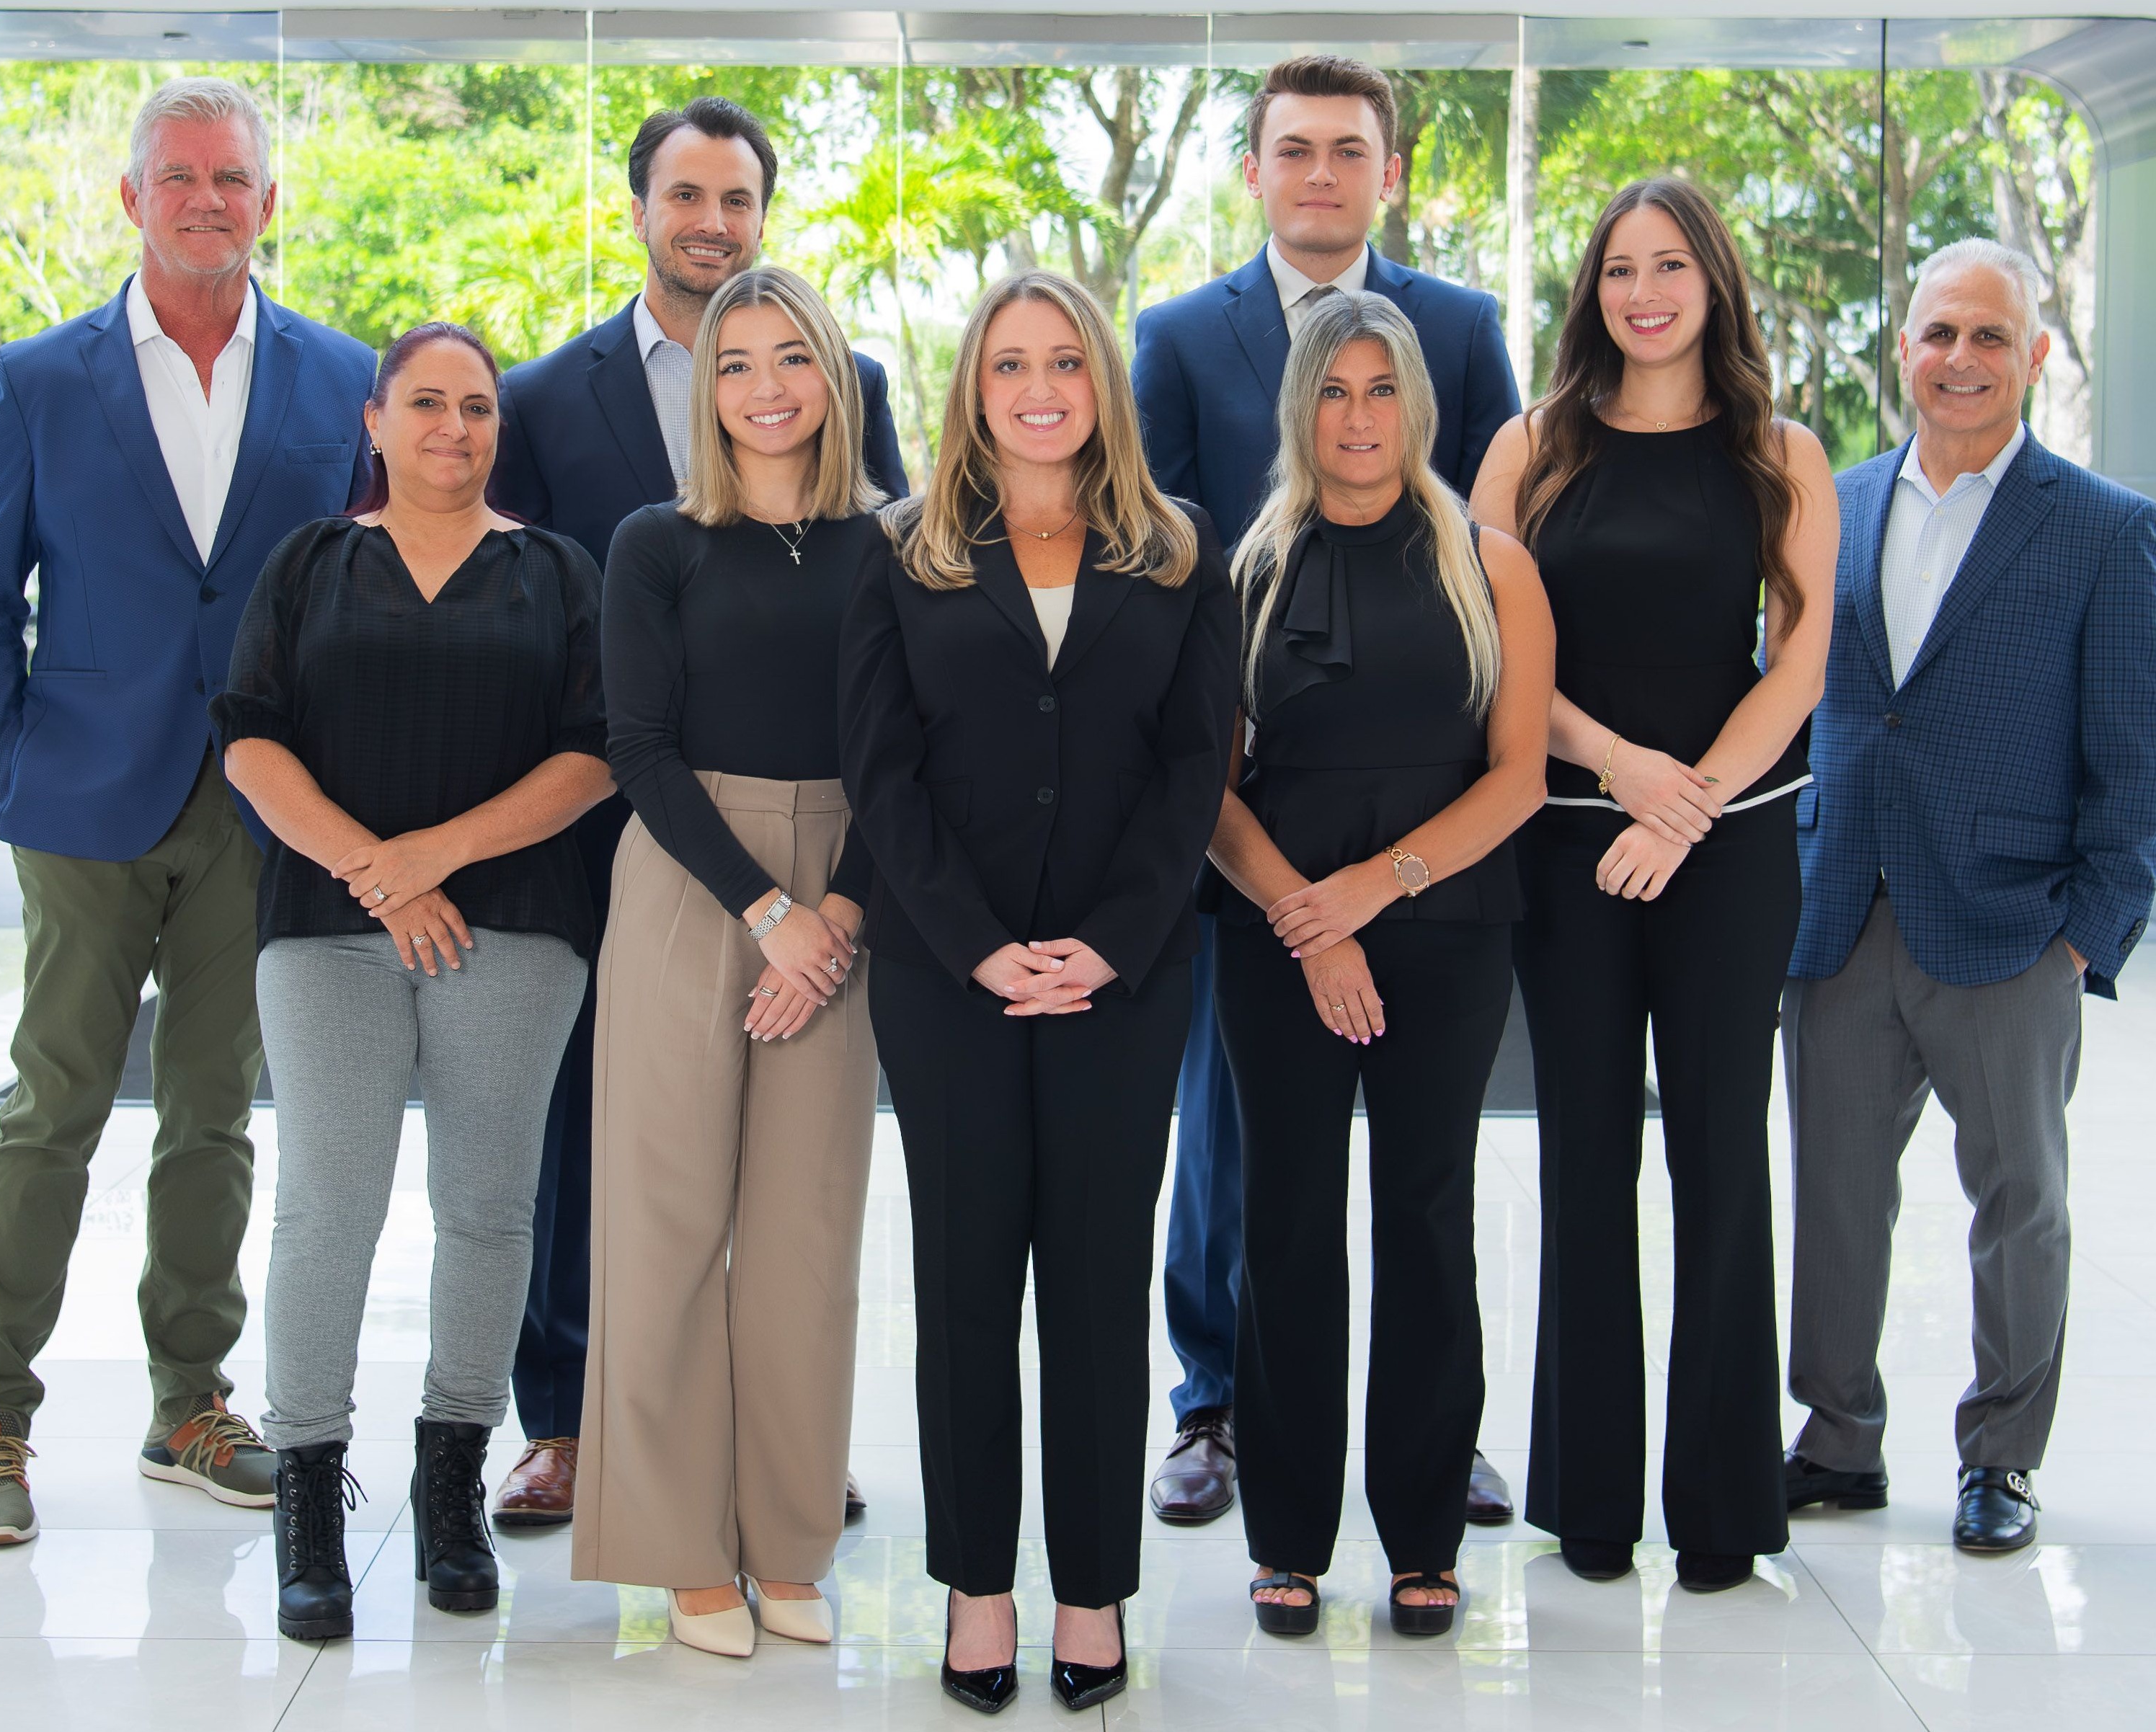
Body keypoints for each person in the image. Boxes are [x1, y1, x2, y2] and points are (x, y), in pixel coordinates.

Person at [0, 76, 376, 1548]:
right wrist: (1, 775)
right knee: (52, 1105)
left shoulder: (339, 377)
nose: (206, 199)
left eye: (231, 177)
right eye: (178, 176)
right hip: (80, 799)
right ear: (132, 197)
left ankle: (190, 1399)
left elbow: (357, 594)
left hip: (259, 805)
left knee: (214, 1114)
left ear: (268, 201)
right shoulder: (41, 380)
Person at [483, 96, 907, 1529]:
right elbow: (525, 623)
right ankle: (565, 1422)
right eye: (685, 195)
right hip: (614, 824)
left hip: (826, 842)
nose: (711, 221)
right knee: (601, 1152)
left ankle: (785, 1450)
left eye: (736, 198)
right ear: (639, 209)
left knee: (798, 1185)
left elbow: (889, 640)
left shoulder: (852, 390)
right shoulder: (548, 397)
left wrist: (828, 900)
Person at [1130, 53, 1524, 1529]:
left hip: (1425, 822)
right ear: (1253, 172)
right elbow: (1153, 556)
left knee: (1425, 1178)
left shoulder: (1461, 330)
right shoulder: (1177, 338)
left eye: (1346, 149)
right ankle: (1215, 1404)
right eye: (1291, 148)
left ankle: (1435, 1438)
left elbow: (1489, 546)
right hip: (1254, 813)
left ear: (1387, 173)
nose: (1317, 173)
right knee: (1234, 1148)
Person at [843, 270, 1237, 1715]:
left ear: (1101, 384)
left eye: (1063, 361)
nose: (1037, 388)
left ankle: (1089, 1588)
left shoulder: (1179, 552)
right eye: (1008, 363)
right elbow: (880, 773)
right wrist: (973, 944)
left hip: (1120, 982)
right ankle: (974, 1587)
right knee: (962, 1288)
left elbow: (1194, 766)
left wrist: (1113, 941)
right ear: (972, 389)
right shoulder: (901, 551)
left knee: (1092, 1287)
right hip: (946, 979)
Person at [1780, 238, 2156, 1555]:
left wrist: (2083, 938)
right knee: (1835, 1192)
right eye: (1939, 334)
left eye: (1989, 337)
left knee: (2019, 1202)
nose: (1960, 359)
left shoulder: (2106, 529)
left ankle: (2000, 1458)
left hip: (2012, 926)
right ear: (1902, 347)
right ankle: (1836, 1437)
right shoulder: (1829, 505)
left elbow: (2140, 754)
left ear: (2034, 355)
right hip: (1838, 910)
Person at [215, 321, 613, 1642]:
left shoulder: (555, 571)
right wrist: (375, 873)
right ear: (375, 422)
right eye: (427, 403)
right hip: (323, 930)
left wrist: (432, 857)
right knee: (326, 1210)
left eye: (478, 407)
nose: (455, 427)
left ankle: (450, 1490)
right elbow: (250, 742)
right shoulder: (308, 563)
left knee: (488, 1211)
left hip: (516, 927)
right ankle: (309, 1502)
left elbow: (593, 755)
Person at [1473, 177, 1835, 1593]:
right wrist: (1625, 768)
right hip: (1568, 837)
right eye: (1619, 268)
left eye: (1670, 264)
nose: (1644, 292)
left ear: (1712, 281)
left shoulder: (1778, 453)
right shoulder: (1529, 448)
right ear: (1592, 292)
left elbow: (1796, 664)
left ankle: (1724, 1509)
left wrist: (1687, 812)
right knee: (1581, 1156)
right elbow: (1495, 654)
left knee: (1721, 1158)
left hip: (1728, 846)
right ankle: (1586, 1500)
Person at [1207, 292, 1551, 1639]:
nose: (1358, 418)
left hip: (1446, 930)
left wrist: (1375, 888)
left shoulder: (1490, 564)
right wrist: (1313, 921)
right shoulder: (1243, 572)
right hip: (1279, 936)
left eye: (1382, 389)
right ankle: (1286, 1535)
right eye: (1334, 392)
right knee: (1285, 1226)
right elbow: (1210, 793)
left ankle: (1421, 1532)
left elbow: (1518, 778)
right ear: (1301, 408)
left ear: (1418, 403)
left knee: (1424, 1219)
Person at [571, 267, 887, 1658]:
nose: (765, 387)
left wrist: (841, 917)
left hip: (853, 882)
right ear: (707, 388)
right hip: (694, 876)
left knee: (807, 1238)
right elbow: (637, 747)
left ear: (835, 376)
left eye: (791, 358)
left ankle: (788, 1539)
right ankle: (679, 1550)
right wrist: (771, 915)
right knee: (666, 1222)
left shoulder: (896, 543)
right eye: (737, 363)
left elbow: (911, 753)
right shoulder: (657, 541)